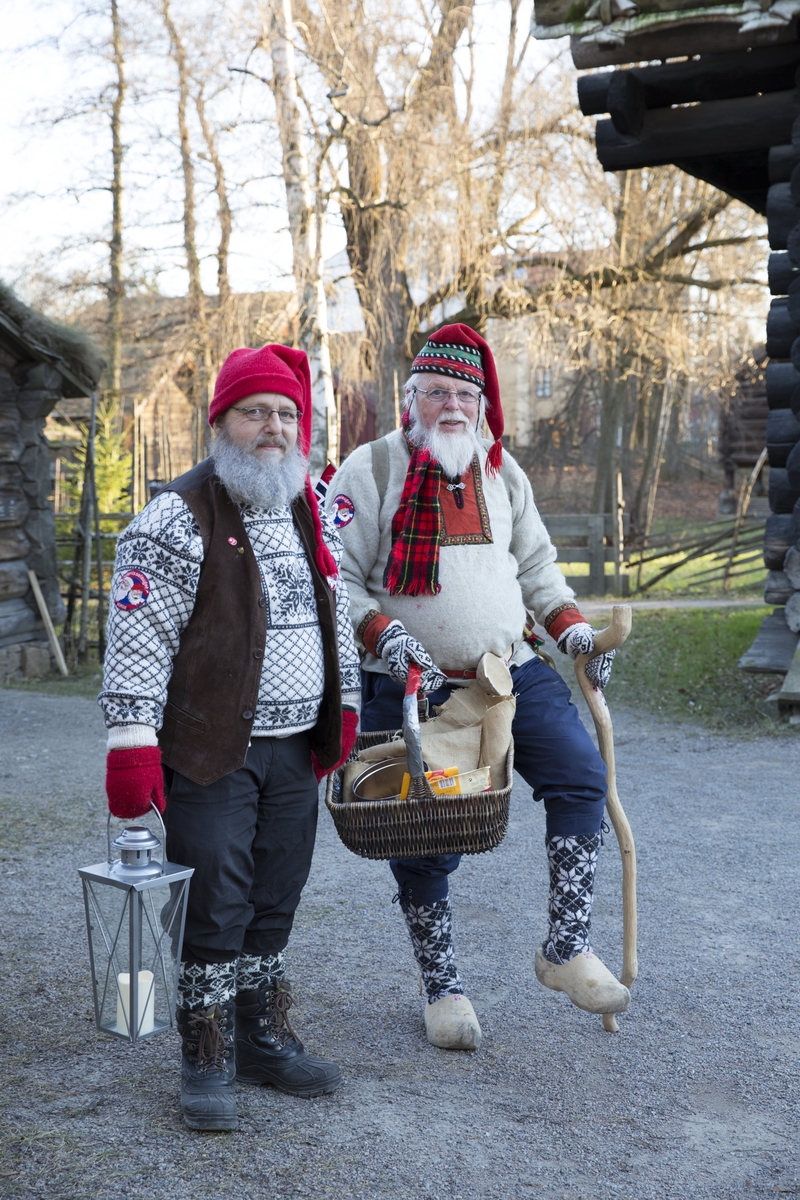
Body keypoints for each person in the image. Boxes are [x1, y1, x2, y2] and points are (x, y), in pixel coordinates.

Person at [327, 323, 630, 1051]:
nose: (452, 406)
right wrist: (384, 635)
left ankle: (566, 949)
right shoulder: (367, 472)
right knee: (425, 834)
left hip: (510, 672)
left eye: (466, 393)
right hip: (407, 684)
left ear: (483, 404)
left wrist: (575, 635)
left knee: (582, 777)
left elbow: (537, 570)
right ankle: (442, 990)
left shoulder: (504, 474)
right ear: (412, 400)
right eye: (436, 392)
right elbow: (335, 578)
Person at [100, 344, 361, 1130]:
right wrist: (130, 743)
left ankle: (263, 1039)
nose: (273, 428)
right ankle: (204, 1054)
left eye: (286, 414)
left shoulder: (311, 505)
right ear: (221, 423)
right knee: (217, 897)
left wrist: (347, 700)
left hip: (294, 751)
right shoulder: (177, 517)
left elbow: (335, 614)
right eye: (255, 413)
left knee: (277, 894)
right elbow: (138, 638)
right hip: (212, 748)